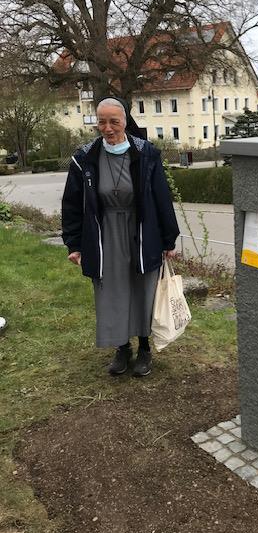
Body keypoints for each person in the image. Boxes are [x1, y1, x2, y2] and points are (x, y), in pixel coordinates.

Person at [61, 97, 180, 377]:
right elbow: (72, 204)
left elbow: (162, 198)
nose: (108, 127)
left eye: (114, 121)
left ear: (125, 121)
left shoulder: (146, 154)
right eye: (102, 121)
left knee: (143, 289)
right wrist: (74, 244)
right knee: (112, 292)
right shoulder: (84, 158)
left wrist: (169, 240)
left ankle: (145, 348)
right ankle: (122, 347)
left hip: (142, 231)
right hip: (104, 235)